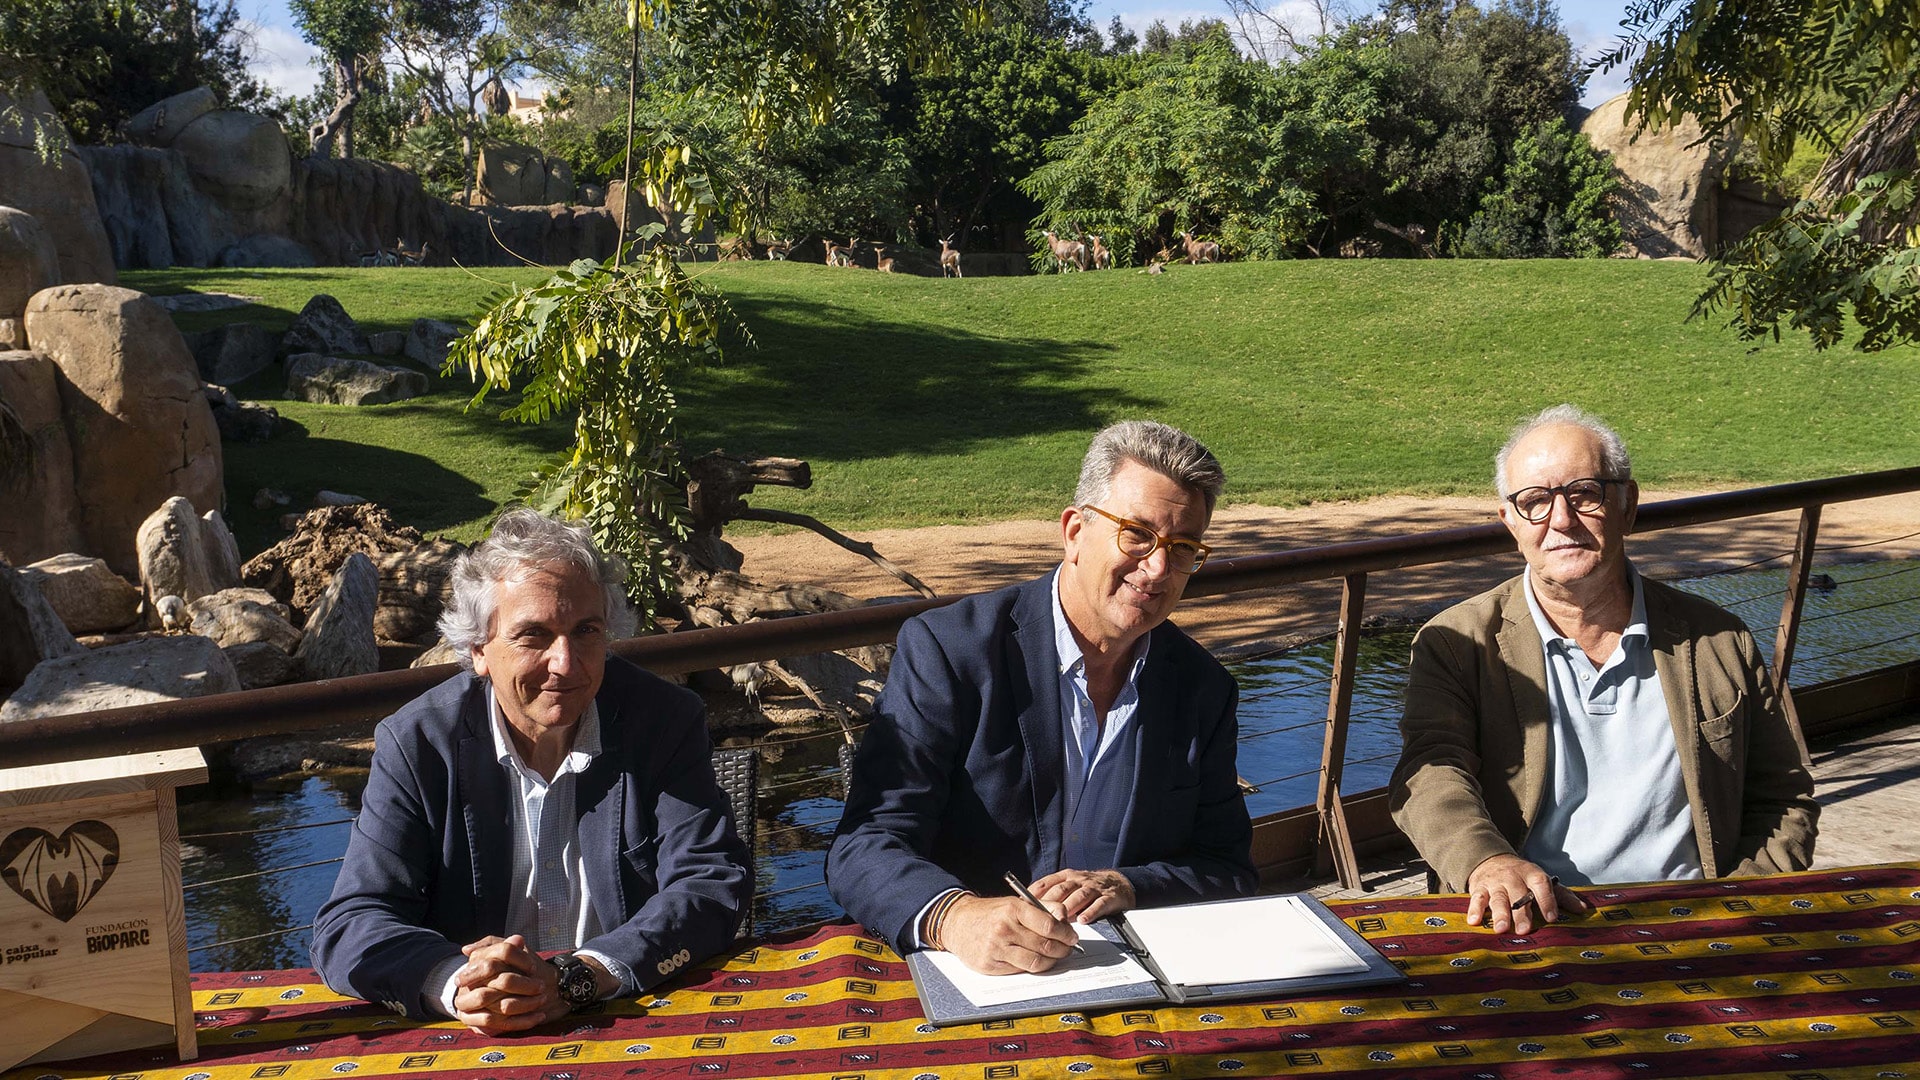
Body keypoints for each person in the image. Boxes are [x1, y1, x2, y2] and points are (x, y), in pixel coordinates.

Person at [826, 420, 1256, 975]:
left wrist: (1127, 884)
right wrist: (953, 917)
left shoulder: (1203, 687)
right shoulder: (950, 650)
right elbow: (864, 844)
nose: (1157, 569)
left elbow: (1227, 868)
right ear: (1075, 531)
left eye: (1182, 548)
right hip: (964, 978)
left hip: (1120, 981)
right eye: (1138, 535)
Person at [311, 509, 750, 1033]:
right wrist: (457, 984)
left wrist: (577, 976)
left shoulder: (662, 721)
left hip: (623, 1020)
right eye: (533, 635)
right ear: (478, 650)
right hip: (470, 1044)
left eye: (586, 631)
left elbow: (710, 883)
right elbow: (352, 922)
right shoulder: (418, 743)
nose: (565, 662)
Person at [1390, 405, 1818, 936]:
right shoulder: (1456, 643)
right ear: (1510, 523)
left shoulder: (1719, 639)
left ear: (1627, 505)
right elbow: (1432, 774)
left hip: (1698, 919)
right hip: (1531, 921)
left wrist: (1741, 902)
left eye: (1584, 494)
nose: (1561, 520)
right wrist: (1487, 864)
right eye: (1535, 502)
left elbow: (1782, 796)